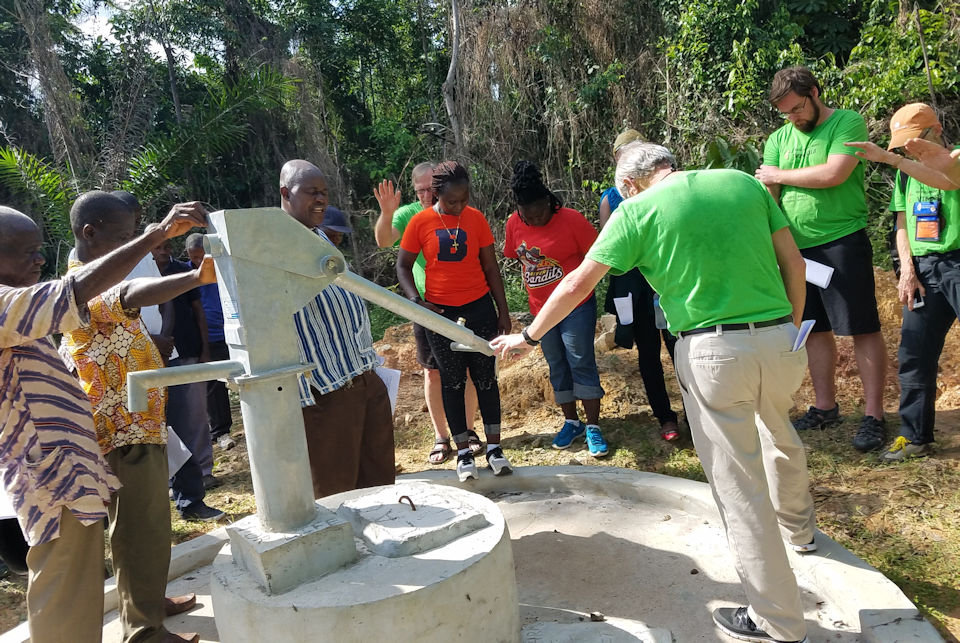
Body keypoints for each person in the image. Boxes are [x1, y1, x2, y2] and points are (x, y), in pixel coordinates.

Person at [493, 142, 816, 643]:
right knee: (778, 429)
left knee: (739, 488)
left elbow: (579, 283)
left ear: (628, 184)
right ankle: (801, 531)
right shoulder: (742, 181)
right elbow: (794, 264)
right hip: (780, 338)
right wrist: (790, 331)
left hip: (713, 352)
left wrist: (529, 335)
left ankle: (778, 619)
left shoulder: (635, 211)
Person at [0, 201, 205, 643]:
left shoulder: (16, 307)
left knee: (76, 581)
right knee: (65, 588)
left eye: (39, 250)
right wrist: (156, 237)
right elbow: (89, 295)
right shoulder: (6, 306)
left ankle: (143, 617)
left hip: (68, 465)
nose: (39, 259)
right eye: (25, 251)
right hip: (52, 470)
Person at [62, 191, 215, 643]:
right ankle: (144, 633)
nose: (133, 247)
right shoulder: (84, 288)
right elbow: (131, 294)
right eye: (125, 237)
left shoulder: (90, 284)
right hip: (120, 431)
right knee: (136, 530)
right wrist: (193, 276)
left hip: (137, 423)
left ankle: (147, 601)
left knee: (148, 527)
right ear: (91, 234)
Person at [756, 66, 888, 452]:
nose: (793, 118)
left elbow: (834, 173)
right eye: (785, 113)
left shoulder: (847, 123)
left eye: (797, 108)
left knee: (862, 327)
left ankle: (874, 415)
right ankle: (825, 406)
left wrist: (781, 173)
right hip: (796, 251)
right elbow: (770, 196)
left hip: (841, 241)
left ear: (814, 92)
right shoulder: (778, 138)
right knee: (813, 329)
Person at [846, 103, 960, 461]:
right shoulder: (905, 174)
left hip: (957, 261)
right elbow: (901, 223)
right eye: (903, 145)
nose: (909, 149)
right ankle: (915, 438)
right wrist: (906, 270)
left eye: (915, 141)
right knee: (913, 354)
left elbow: (946, 179)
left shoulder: (955, 160)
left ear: (936, 131)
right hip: (924, 270)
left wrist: (892, 159)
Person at [280, 160, 396, 498]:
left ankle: (379, 546)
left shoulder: (320, 239)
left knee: (378, 483)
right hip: (324, 391)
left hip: (362, 377)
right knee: (335, 492)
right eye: (311, 192)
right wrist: (307, 398)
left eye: (324, 193)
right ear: (286, 193)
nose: (321, 200)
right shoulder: (271, 250)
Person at [397, 161, 513, 482]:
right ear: (436, 194)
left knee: (486, 378)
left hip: (479, 309)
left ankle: (494, 449)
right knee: (451, 380)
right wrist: (416, 301)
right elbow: (403, 266)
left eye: (464, 199)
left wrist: (502, 311)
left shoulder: (476, 220)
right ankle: (462, 452)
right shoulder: (420, 222)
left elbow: (491, 268)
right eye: (451, 201)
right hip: (441, 315)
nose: (459, 206)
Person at [374, 163, 482, 464]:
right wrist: (386, 212)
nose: (425, 194)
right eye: (419, 190)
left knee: (469, 370)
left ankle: (470, 432)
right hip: (425, 308)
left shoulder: (458, 212)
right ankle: (441, 436)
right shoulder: (410, 215)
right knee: (433, 373)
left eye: (429, 189)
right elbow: (384, 240)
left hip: (464, 303)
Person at [505, 160, 609, 456]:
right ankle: (571, 422)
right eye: (529, 216)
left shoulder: (572, 220)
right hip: (541, 310)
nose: (536, 220)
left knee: (580, 360)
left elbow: (598, 257)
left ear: (550, 201)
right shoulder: (514, 223)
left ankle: (593, 427)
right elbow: (515, 257)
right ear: (518, 210)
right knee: (557, 365)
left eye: (541, 213)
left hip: (576, 307)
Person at [599, 129, 682, 441]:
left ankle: (697, 410)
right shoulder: (611, 198)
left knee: (680, 347)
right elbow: (612, 247)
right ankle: (665, 417)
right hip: (635, 286)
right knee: (648, 352)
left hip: (667, 281)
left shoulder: (666, 189)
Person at [152, 239, 226, 511]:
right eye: (157, 248)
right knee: (165, 423)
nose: (162, 251)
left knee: (195, 417)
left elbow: (198, 312)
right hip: (152, 360)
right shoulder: (139, 275)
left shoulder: (183, 271)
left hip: (187, 352)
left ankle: (204, 471)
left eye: (165, 247)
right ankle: (174, 479)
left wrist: (205, 350)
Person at [185, 233, 235, 451]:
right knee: (214, 387)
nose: (199, 262)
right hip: (208, 337)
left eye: (202, 256)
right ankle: (221, 432)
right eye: (194, 257)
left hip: (231, 333)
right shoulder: (184, 274)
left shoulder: (224, 267)